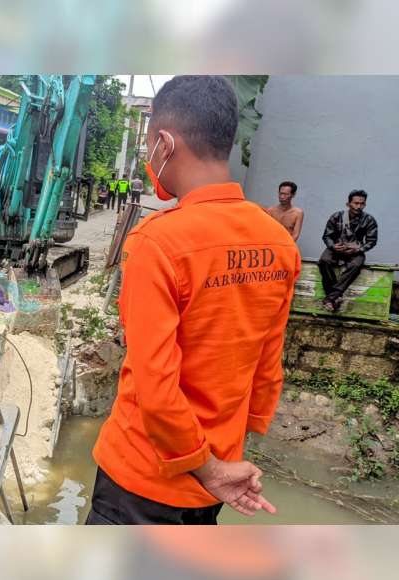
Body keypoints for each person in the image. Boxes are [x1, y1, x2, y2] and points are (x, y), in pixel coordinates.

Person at [88, 76, 302, 525]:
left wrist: (206, 467)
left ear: (164, 143)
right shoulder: (279, 244)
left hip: (142, 478)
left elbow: (156, 386)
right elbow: (267, 366)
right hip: (219, 475)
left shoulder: (158, 242)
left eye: (148, 144)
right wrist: (224, 458)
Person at [318, 189, 378, 312]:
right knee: (324, 261)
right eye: (356, 203)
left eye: (362, 204)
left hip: (354, 251)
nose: (359, 206)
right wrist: (333, 246)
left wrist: (359, 249)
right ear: (348, 204)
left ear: (365, 204)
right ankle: (335, 296)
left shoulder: (369, 220)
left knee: (356, 265)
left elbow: (372, 241)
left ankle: (330, 298)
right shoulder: (336, 216)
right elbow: (327, 236)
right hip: (336, 248)